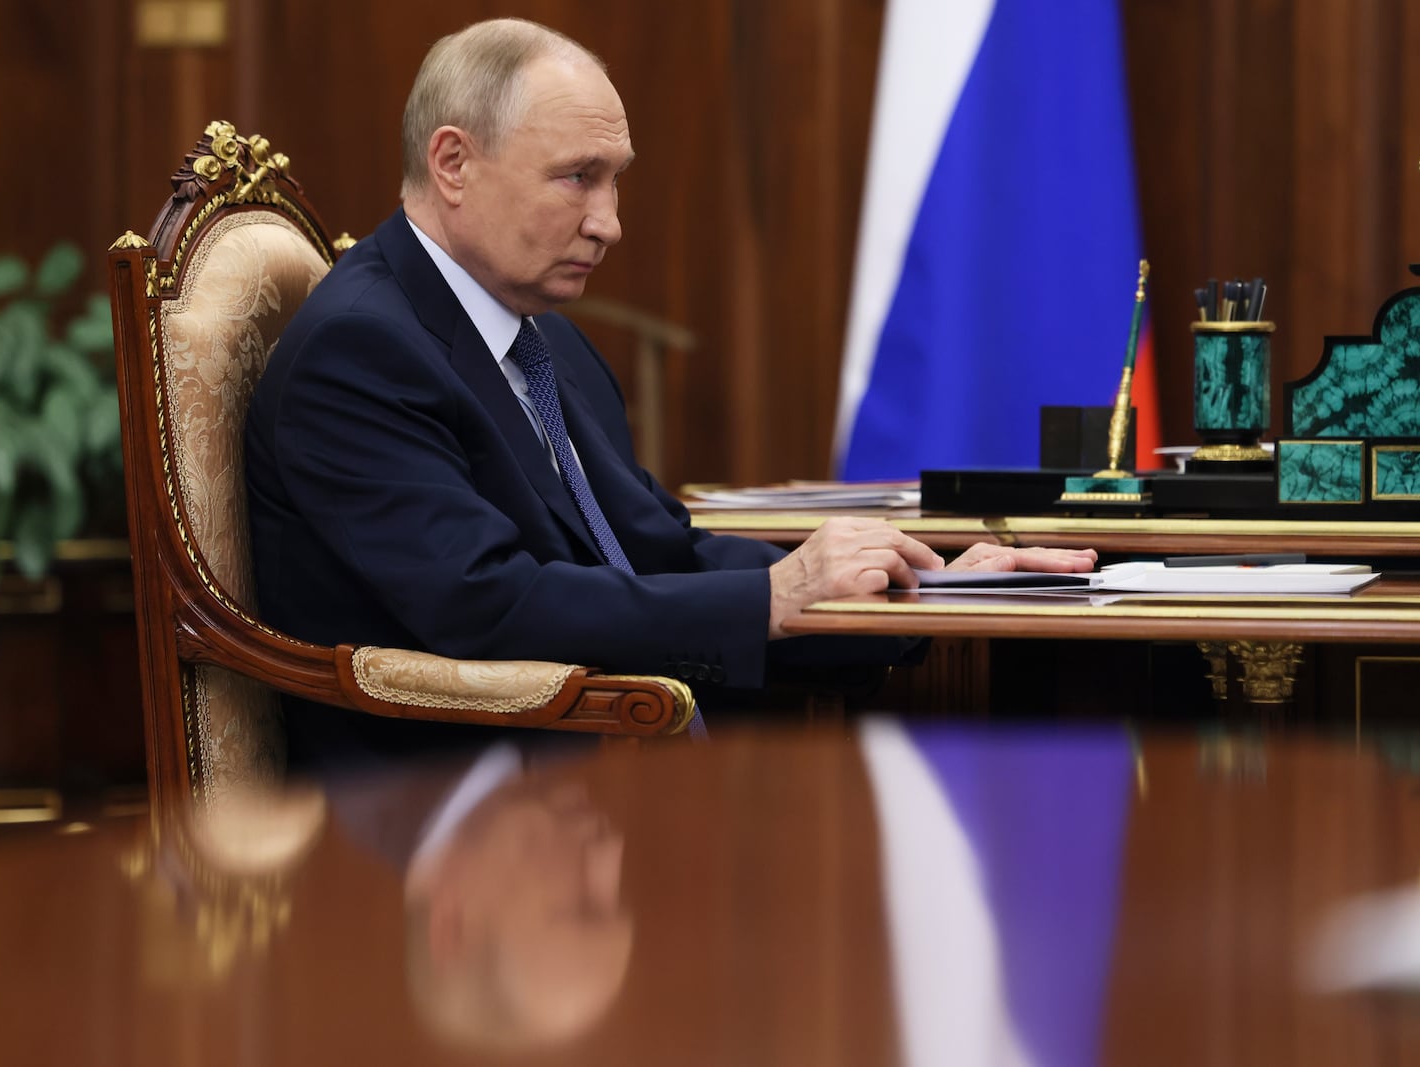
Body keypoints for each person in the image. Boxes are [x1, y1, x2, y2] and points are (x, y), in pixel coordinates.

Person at [244, 17, 1095, 768]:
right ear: (454, 162)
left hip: (597, 768)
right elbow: (488, 608)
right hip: (439, 816)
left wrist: (919, 589)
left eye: (616, 179)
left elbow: (659, 550)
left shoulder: (545, 341)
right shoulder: (359, 352)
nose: (610, 221)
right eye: (578, 177)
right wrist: (773, 597)